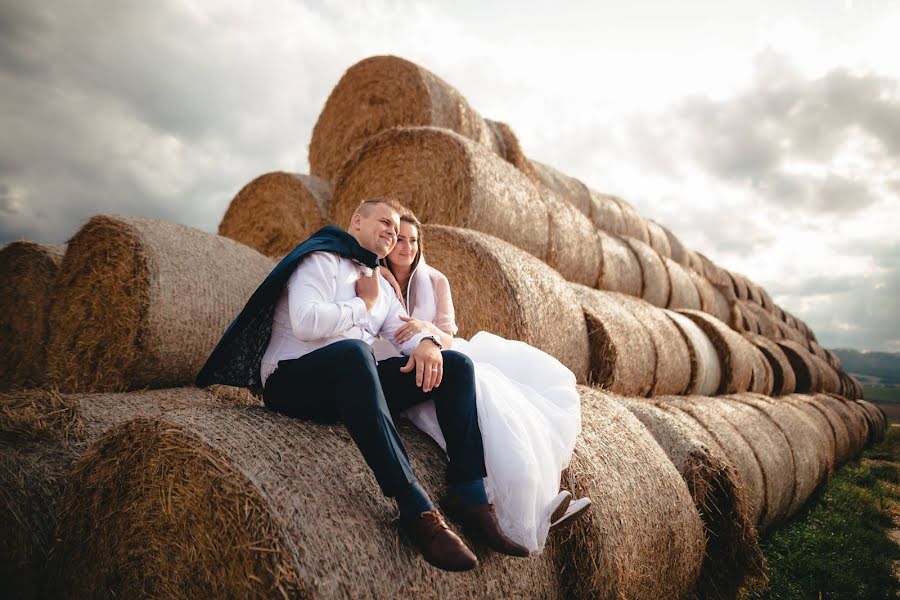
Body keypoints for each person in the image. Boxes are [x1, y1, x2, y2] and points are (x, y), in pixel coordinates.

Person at [197, 197, 530, 572]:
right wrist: (362, 305)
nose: (391, 231)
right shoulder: (321, 261)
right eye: (384, 222)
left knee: (455, 365)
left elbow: (400, 333)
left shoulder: (381, 287)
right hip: (292, 381)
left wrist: (426, 345)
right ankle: (414, 506)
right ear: (357, 221)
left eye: (396, 227)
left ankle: (469, 494)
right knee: (355, 353)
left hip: (351, 387)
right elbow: (306, 322)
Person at [376, 213, 591, 553]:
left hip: (442, 354)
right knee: (486, 400)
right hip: (402, 366)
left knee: (518, 394)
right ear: (387, 243)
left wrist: (424, 330)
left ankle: (540, 505)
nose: (407, 247)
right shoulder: (375, 278)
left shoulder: (435, 280)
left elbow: (447, 335)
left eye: (413, 240)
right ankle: (517, 510)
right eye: (400, 240)